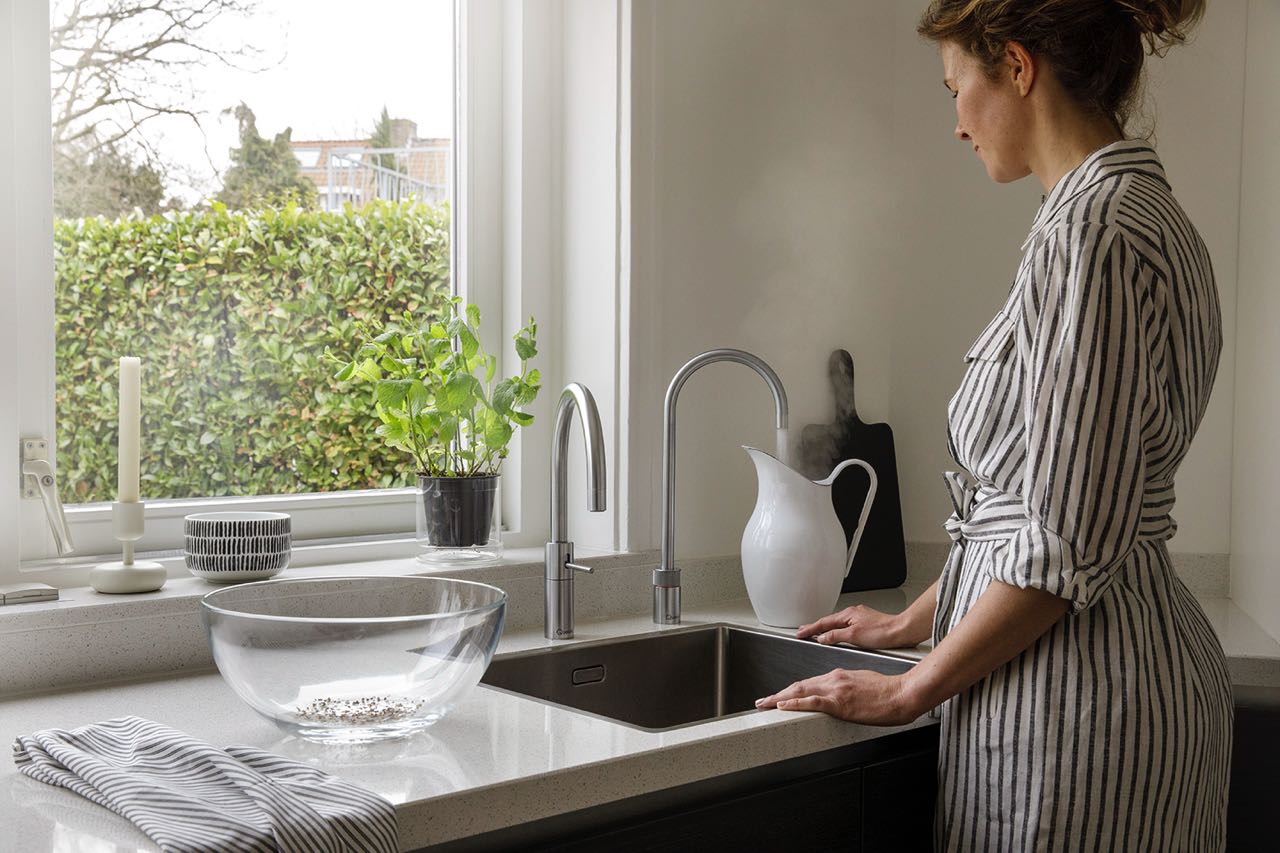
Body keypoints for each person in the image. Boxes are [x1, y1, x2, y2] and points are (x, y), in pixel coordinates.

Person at [754, 1, 1232, 849]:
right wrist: (913, 622)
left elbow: (1066, 541)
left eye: (954, 89)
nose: (957, 125)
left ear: (1017, 67)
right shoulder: (1133, 217)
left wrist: (907, 690)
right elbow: (1042, 505)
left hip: (1083, 704)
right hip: (1106, 680)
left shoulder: (1096, 234)